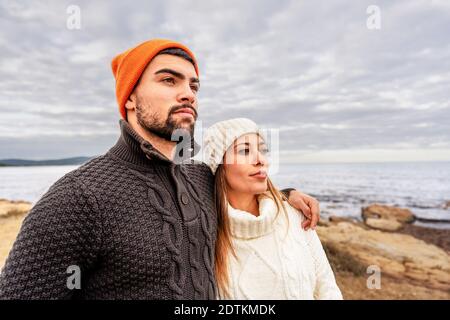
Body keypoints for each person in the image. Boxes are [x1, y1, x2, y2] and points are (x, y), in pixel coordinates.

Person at [0, 39, 320, 299]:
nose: (188, 94)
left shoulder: (199, 176)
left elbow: (238, 186)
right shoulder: (78, 198)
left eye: (194, 86)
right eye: (169, 80)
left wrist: (286, 194)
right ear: (130, 99)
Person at [203, 118, 342, 299]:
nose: (261, 160)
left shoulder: (295, 215)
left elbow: (327, 289)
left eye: (263, 150)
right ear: (219, 165)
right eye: (245, 151)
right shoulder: (204, 232)